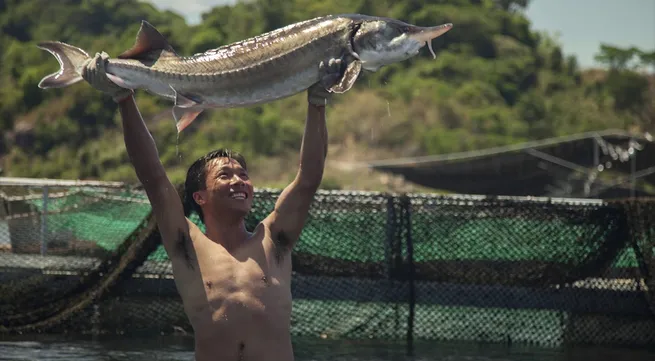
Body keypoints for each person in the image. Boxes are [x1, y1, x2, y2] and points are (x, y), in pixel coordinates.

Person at [82, 52, 341, 361]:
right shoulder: (186, 245)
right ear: (199, 197)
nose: (239, 182)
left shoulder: (273, 240)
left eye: (244, 175)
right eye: (225, 175)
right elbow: (153, 177)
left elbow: (308, 178)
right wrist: (123, 98)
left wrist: (318, 101)